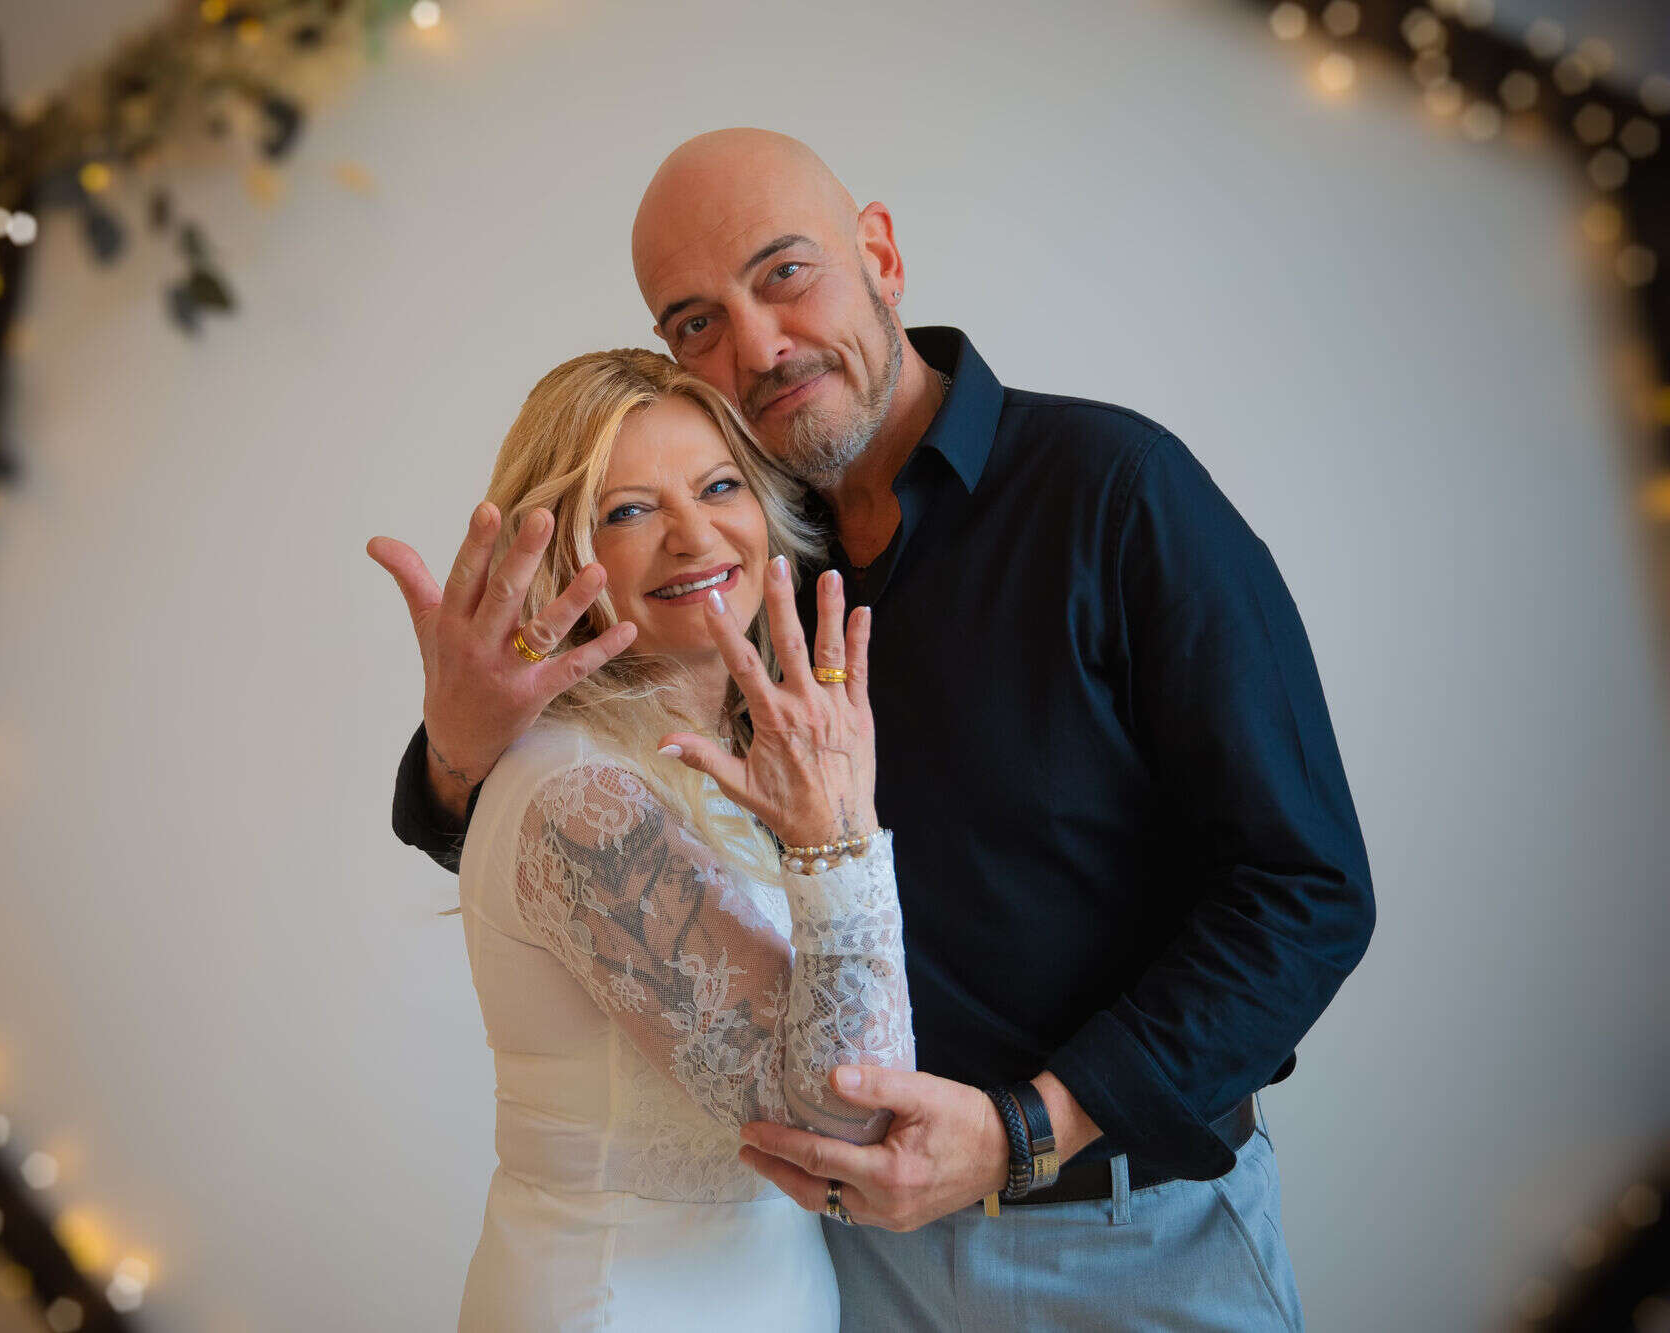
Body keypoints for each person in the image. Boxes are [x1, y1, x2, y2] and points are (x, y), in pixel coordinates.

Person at [370, 129, 1375, 1329]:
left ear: (880, 256)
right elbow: (591, 835)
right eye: (696, 321)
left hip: (1123, 1236)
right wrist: (457, 753)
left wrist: (1024, 1129)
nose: (757, 345)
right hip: (846, 1261)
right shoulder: (739, 549)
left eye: (784, 273)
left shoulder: (1114, 491)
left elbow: (1304, 893)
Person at [419, 347, 918, 1331]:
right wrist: (840, 835)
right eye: (630, 511)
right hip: (622, 1300)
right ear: (563, 557)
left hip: (773, 1290)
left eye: (719, 486)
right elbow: (845, 1119)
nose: (693, 536)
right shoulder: (578, 795)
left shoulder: (738, 746)